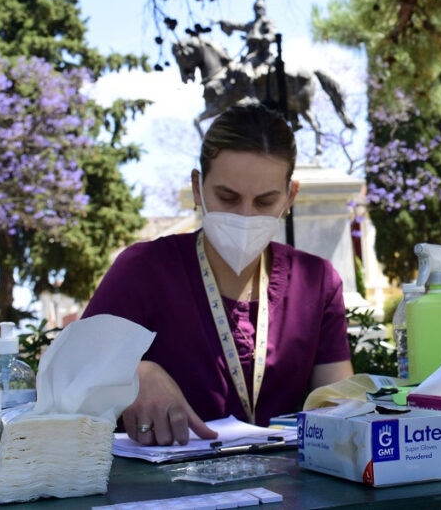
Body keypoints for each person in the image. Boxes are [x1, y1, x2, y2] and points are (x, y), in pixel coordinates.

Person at [82, 103, 353, 444]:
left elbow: (340, 411)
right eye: (227, 198)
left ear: (290, 196)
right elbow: (64, 371)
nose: (245, 216)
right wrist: (132, 375)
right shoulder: (145, 270)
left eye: (265, 202)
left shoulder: (317, 283)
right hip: (166, 491)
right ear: (198, 188)